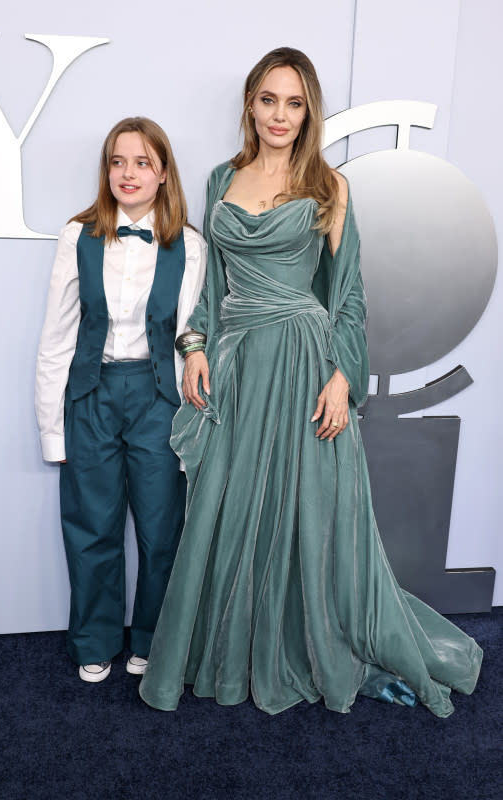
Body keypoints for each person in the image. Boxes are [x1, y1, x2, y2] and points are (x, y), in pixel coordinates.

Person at [138, 48, 483, 717]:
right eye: (268, 99)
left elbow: (348, 295)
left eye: (293, 103)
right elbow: (212, 286)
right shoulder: (218, 179)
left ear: (308, 111)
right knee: (225, 508)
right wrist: (195, 345)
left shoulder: (328, 185)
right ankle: (225, 649)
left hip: (301, 362)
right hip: (236, 366)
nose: (279, 115)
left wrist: (340, 376)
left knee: (307, 514)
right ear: (249, 103)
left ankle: (302, 647)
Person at [35, 117, 206, 682]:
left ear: (163, 173)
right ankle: (94, 638)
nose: (127, 173)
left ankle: (153, 636)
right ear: (106, 170)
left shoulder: (190, 244)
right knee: (90, 523)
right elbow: (56, 337)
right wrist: (51, 428)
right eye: (117, 161)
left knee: (162, 527)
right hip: (91, 395)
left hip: (160, 397)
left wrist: (194, 427)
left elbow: (192, 339)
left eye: (142, 162)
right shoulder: (76, 236)